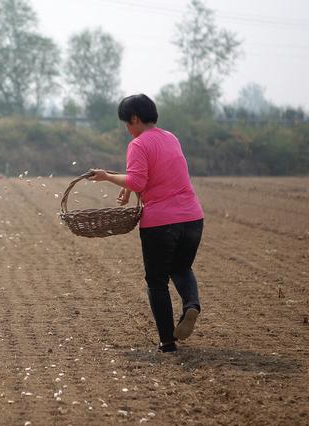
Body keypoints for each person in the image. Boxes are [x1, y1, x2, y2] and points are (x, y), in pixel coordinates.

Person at [88, 94, 204, 353]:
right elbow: (156, 175)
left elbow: (139, 181)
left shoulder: (138, 144)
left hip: (161, 223)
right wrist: (128, 187)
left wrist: (107, 177)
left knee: (157, 281)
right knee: (182, 267)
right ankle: (191, 305)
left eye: (126, 124)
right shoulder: (170, 137)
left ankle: (167, 342)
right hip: (193, 218)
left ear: (135, 119)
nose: (127, 130)